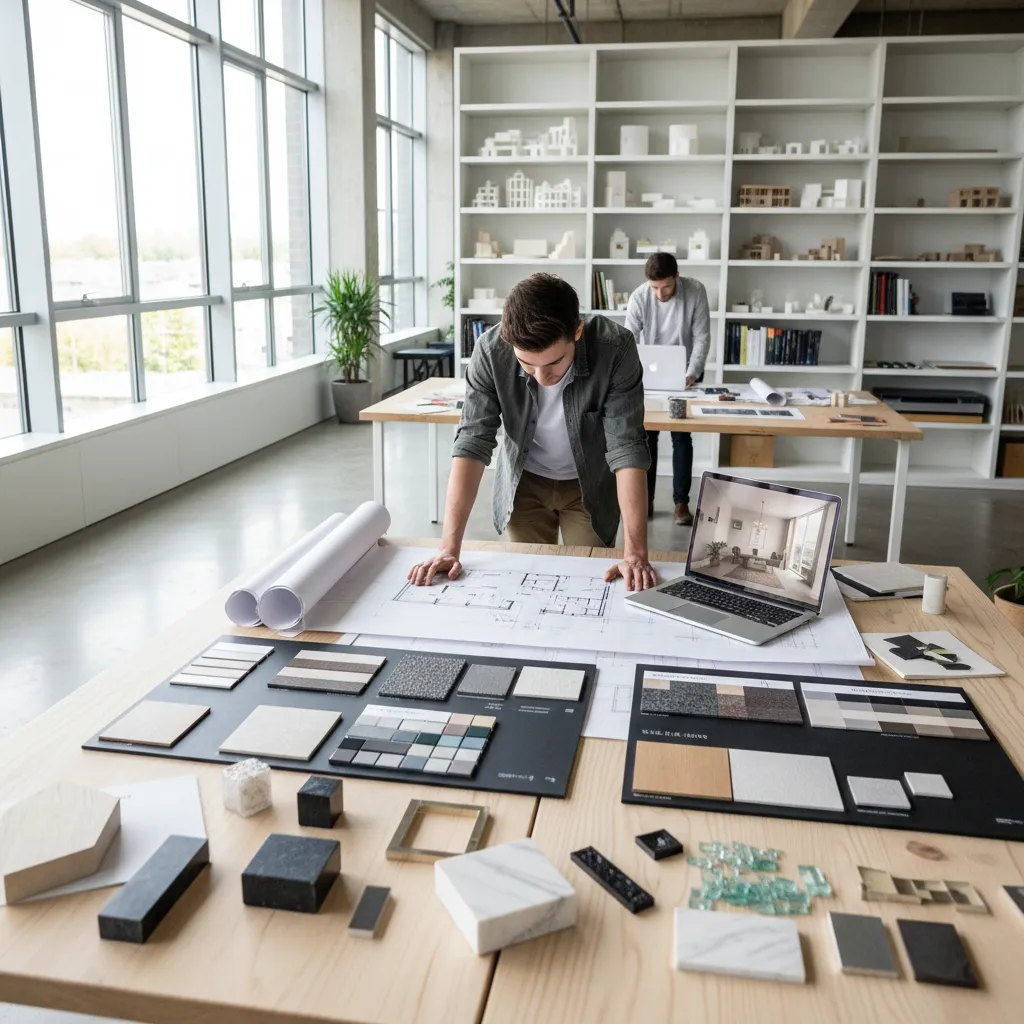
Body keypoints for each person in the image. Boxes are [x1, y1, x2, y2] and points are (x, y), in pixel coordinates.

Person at [408, 272, 657, 592]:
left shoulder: (615, 347)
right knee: (527, 582)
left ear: (577, 331)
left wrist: (635, 554)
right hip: (523, 484)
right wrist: (448, 548)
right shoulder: (489, 350)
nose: (541, 378)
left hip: (590, 487)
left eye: (554, 363)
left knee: (589, 584)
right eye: (527, 364)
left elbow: (627, 445)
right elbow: (472, 441)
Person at [624, 251, 711, 527]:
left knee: (682, 437)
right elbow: (629, 340)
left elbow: (702, 337)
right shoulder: (640, 296)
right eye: (655, 288)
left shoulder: (696, 291)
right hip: (647, 374)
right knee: (647, 437)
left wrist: (691, 372)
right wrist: (633, 374)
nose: (660, 294)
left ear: (677, 276)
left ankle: (681, 503)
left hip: (686, 372)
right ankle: (646, 502)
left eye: (666, 287)